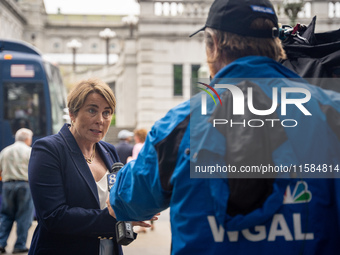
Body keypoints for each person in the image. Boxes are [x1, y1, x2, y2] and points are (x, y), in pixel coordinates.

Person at [108, 0, 340, 254]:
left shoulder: (179, 125)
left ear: (213, 46)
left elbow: (124, 203)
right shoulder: (331, 113)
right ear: (276, 46)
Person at [28, 79, 151, 255]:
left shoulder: (109, 151)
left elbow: (117, 203)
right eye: (92, 110)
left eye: (107, 113)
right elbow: (53, 216)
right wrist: (115, 218)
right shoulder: (48, 149)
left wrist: (135, 211)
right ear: (72, 113)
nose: (100, 120)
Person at [0, 128, 34, 254]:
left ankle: (1, 243)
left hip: (7, 185)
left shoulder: (5, 151)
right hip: (25, 185)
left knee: (6, 215)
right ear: (27, 139)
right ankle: (19, 245)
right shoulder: (30, 151)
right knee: (24, 216)